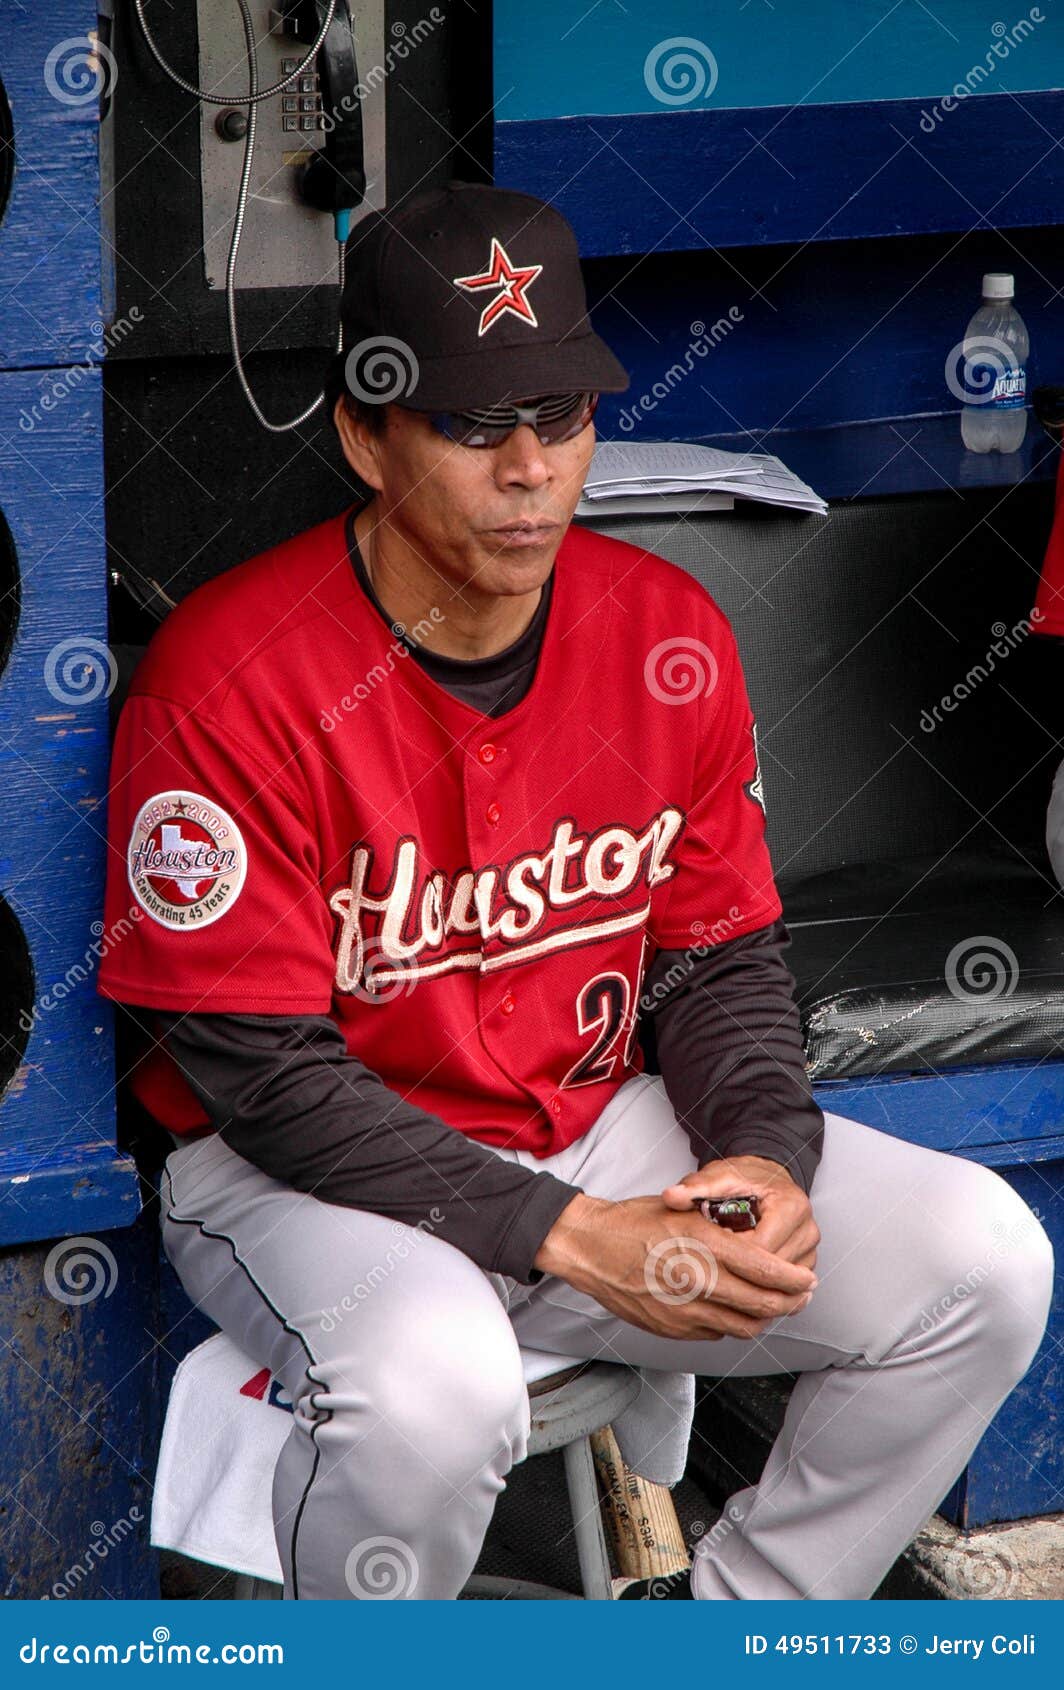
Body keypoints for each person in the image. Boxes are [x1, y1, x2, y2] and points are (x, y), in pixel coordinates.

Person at [98, 181, 1053, 1601]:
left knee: (982, 1264)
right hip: (309, 1176)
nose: (533, 466)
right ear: (366, 434)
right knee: (435, 1388)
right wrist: (568, 1235)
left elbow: (722, 962)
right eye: (478, 426)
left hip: (587, 1118)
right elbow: (266, 1079)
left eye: (563, 415)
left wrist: (766, 1162)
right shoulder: (232, 676)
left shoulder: (663, 632)